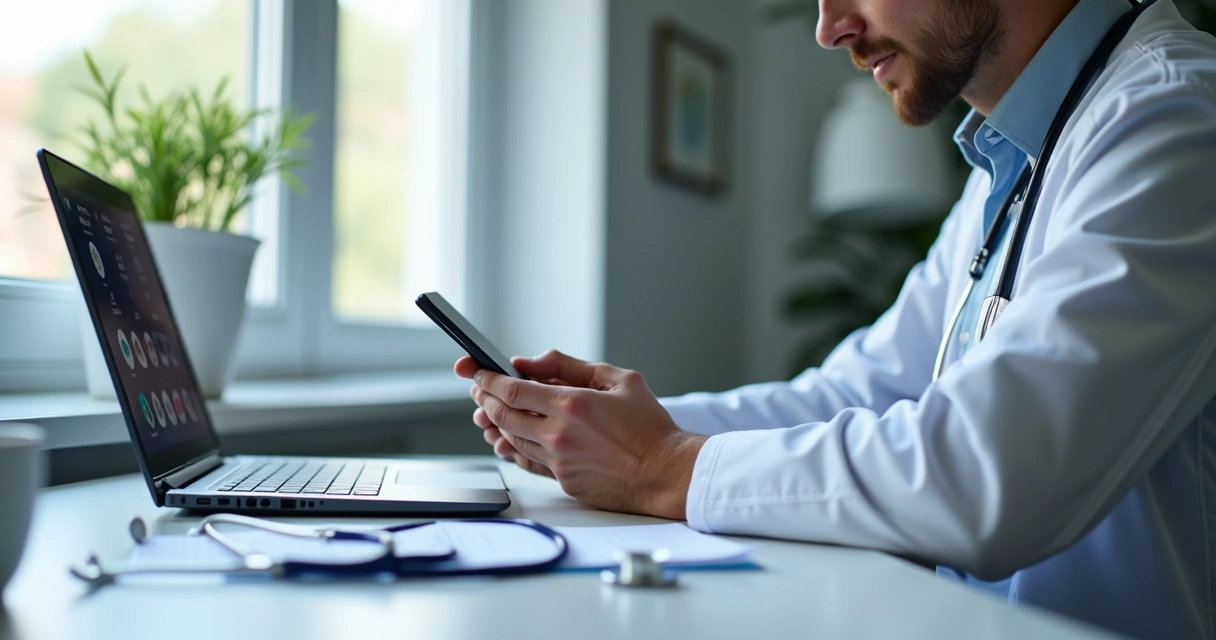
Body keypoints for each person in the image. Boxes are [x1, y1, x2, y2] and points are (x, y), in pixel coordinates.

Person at [456, 0, 1216, 637]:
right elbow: (856, 393)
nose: (829, 28)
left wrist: (659, 466)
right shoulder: (1019, 162)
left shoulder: (1175, 118)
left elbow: (992, 476)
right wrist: (603, 431)